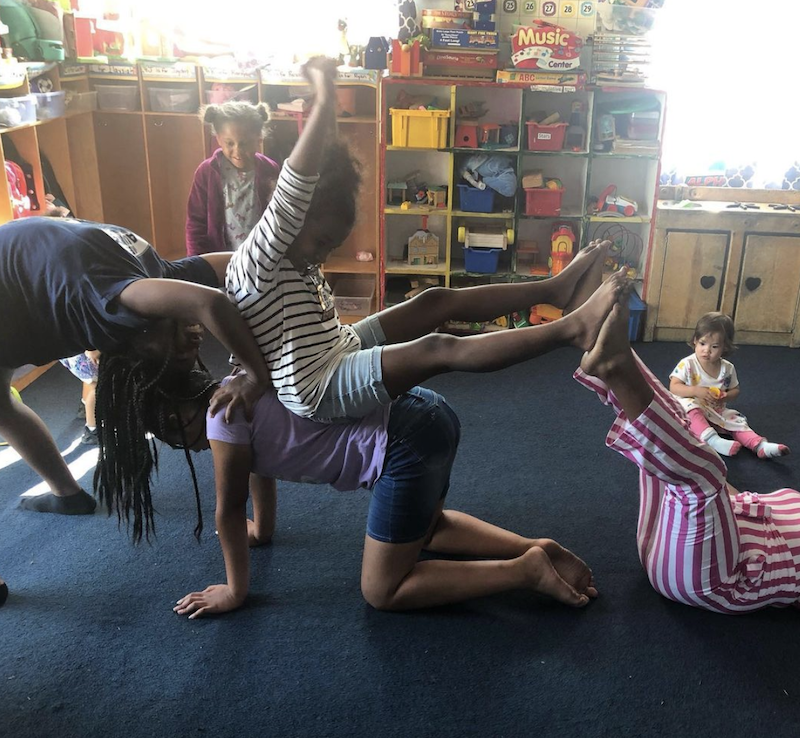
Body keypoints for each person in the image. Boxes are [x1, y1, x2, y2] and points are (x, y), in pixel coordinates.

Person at [222, 56, 626, 425]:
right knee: (437, 348)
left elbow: (323, 165)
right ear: (292, 220)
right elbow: (300, 181)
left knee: (435, 301)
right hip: (318, 386)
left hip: (338, 347)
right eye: (323, 241)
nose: (324, 255)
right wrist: (325, 93)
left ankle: (554, 289)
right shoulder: (262, 254)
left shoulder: (292, 255)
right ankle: (572, 330)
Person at [133, 369, 599, 618]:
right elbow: (257, 468)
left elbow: (228, 510)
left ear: (180, 419)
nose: (189, 448)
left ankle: (524, 571)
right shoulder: (238, 387)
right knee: (428, 529)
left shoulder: (220, 418)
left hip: (402, 441)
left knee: (383, 590)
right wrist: (266, 529)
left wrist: (235, 591)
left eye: (179, 440)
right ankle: (537, 549)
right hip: (429, 411)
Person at [0, 216, 275, 519]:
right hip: (18, 280)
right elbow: (211, 302)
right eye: (185, 355)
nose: (193, 346)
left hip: (30, 265)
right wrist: (255, 375)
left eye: (182, 354)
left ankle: (66, 495)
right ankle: (66, 494)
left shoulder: (155, 281)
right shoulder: (123, 306)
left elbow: (242, 262)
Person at [576, 295, 800, 613]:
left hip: (713, 579)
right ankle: (605, 352)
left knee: (704, 470)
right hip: (666, 544)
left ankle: (614, 361)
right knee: (681, 441)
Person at [669, 312, 790, 459]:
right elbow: (673, 387)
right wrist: (695, 390)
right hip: (690, 407)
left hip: (715, 409)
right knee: (689, 406)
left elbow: (735, 390)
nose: (707, 350)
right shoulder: (688, 364)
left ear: (724, 347)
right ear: (695, 341)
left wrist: (726, 396)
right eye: (702, 343)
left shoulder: (727, 368)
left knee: (736, 421)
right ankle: (713, 440)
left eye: (714, 346)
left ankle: (759, 445)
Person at [185, 100, 280, 256]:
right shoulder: (206, 172)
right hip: (219, 259)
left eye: (244, 143)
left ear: (258, 139)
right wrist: (197, 262)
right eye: (230, 143)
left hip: (260, 258)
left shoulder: (270, 169)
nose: (238, 151)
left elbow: (277, 216)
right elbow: (195, 222)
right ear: (219, 139)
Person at [59, 350, 101, 445]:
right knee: (98, 388)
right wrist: (94, 351)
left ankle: (85, 409)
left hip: (73, 352)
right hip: (88, 354)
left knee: (90, 380)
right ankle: (92, 430)